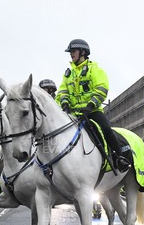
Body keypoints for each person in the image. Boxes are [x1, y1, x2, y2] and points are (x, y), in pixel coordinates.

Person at [56, 38, 130, 173]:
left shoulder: (95, 70)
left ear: (83, 52)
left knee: (106, 129)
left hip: (92, 111)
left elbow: (102, 88)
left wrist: (90, 105)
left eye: (73, 51)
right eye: (70, 52)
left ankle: (120, 158)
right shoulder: (68, 74)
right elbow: (62, 91)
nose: (71, 54)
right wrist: (65, 102)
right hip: (72, 113)